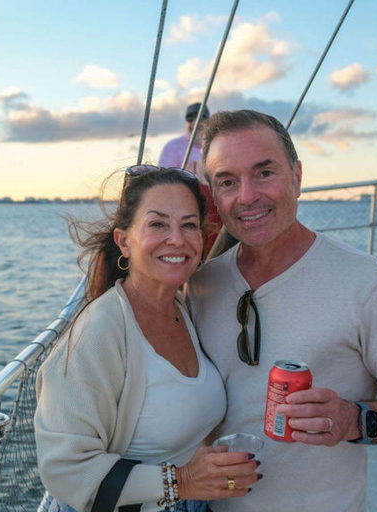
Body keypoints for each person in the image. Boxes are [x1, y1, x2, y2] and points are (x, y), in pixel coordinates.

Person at [186, 110, 377, 512]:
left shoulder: (369, 283)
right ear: (214, 196)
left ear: (297, 176)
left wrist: (355, 420)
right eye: (228, 182)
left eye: (264, 172)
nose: (247, 195)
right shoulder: (202, 285)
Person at [35, 166, 260, 512]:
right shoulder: (97, 334)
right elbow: (64, 470)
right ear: (124, 241)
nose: (177, 239)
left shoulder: (183, 308)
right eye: (158, 224)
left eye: (188, 225)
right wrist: (182, 480)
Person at [159, 103, 223, 254]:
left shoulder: (218, 146)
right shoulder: (173, 146)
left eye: (201, 118)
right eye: (190, 118)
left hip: (217, 211)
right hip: (184, 207)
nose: (195, 122)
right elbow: (162, 181)